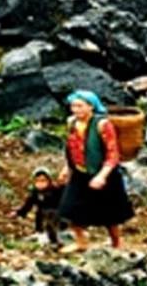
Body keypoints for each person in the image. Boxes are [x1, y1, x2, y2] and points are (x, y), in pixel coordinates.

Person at [57, 90, 134, 252]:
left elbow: (113, 153)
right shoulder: (72, 123)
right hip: (80, 172)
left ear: (91, 107)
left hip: (104, 173)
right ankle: (81, 241)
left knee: (110, 214)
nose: (75, 110)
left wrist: (102, 175)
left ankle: (116, 243)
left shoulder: (102, 125)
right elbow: (71, 148)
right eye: (73, 106)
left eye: (80, 106)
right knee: (68, 208)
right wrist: (66, 169)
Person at [10, 167, 64, 246]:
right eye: (37, 181)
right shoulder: (35, 192)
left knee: (51, 217)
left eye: (43, 181)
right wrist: (19, 212)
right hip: (41, 215)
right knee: (41, 215)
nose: (40, 184)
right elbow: (28, 204)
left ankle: (55, 238)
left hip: (56, 214)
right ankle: (41, 234)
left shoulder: (56, 190)